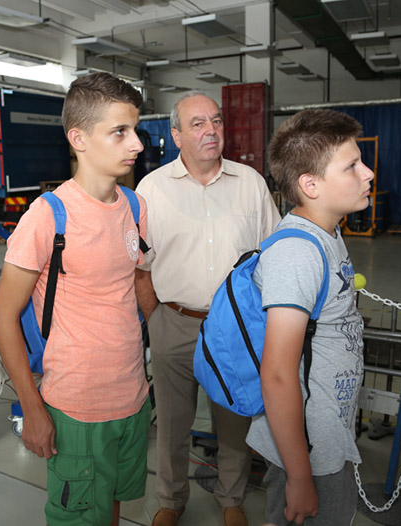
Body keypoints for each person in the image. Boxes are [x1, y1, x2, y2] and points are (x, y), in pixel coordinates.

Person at [0, 72, 150, 526]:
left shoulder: (135, 206)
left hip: (133, 398)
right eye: (120, 132)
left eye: (135, 129)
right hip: (77, 407)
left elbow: (135, 287)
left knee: (113, 506)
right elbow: (3, 317)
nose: (136, 144)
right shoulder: (48, 217)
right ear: (78, 139)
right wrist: (32, 406)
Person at [135, 90, 281, 526]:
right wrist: (156, 320)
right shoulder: (151, 189)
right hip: (173, 321)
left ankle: (231, 498)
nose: (211, 130)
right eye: (197, 123)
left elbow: (272, 255)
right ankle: (170, 500)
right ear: (176, 135)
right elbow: (139, 266)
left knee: (234, 419)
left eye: (216, 120)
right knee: (172, 423)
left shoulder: (250, 183)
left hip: (235, 327)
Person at [246, 109, 373, 525]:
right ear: (310, 185)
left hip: (328, 432)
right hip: (308, 450)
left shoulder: (328, 233)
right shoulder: (297, 253)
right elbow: (277, 374)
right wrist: (300, 477)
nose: (368, 173)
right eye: (352, 166)